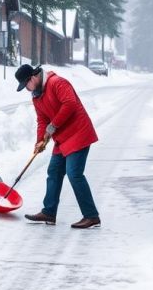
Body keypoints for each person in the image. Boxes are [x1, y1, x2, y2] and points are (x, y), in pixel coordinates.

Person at [14, 64, 100, 229]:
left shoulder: (58, 83)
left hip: (79, 133)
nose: (27, 89)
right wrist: (40, 141)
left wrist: (53, 126)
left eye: (27, 85)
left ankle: (91, 216)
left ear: (33, 78)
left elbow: (70, 104)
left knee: (74, 173)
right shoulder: (36, 96)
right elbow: (42, 120)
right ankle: (49, 212)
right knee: (53, 171)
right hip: (62, 139)